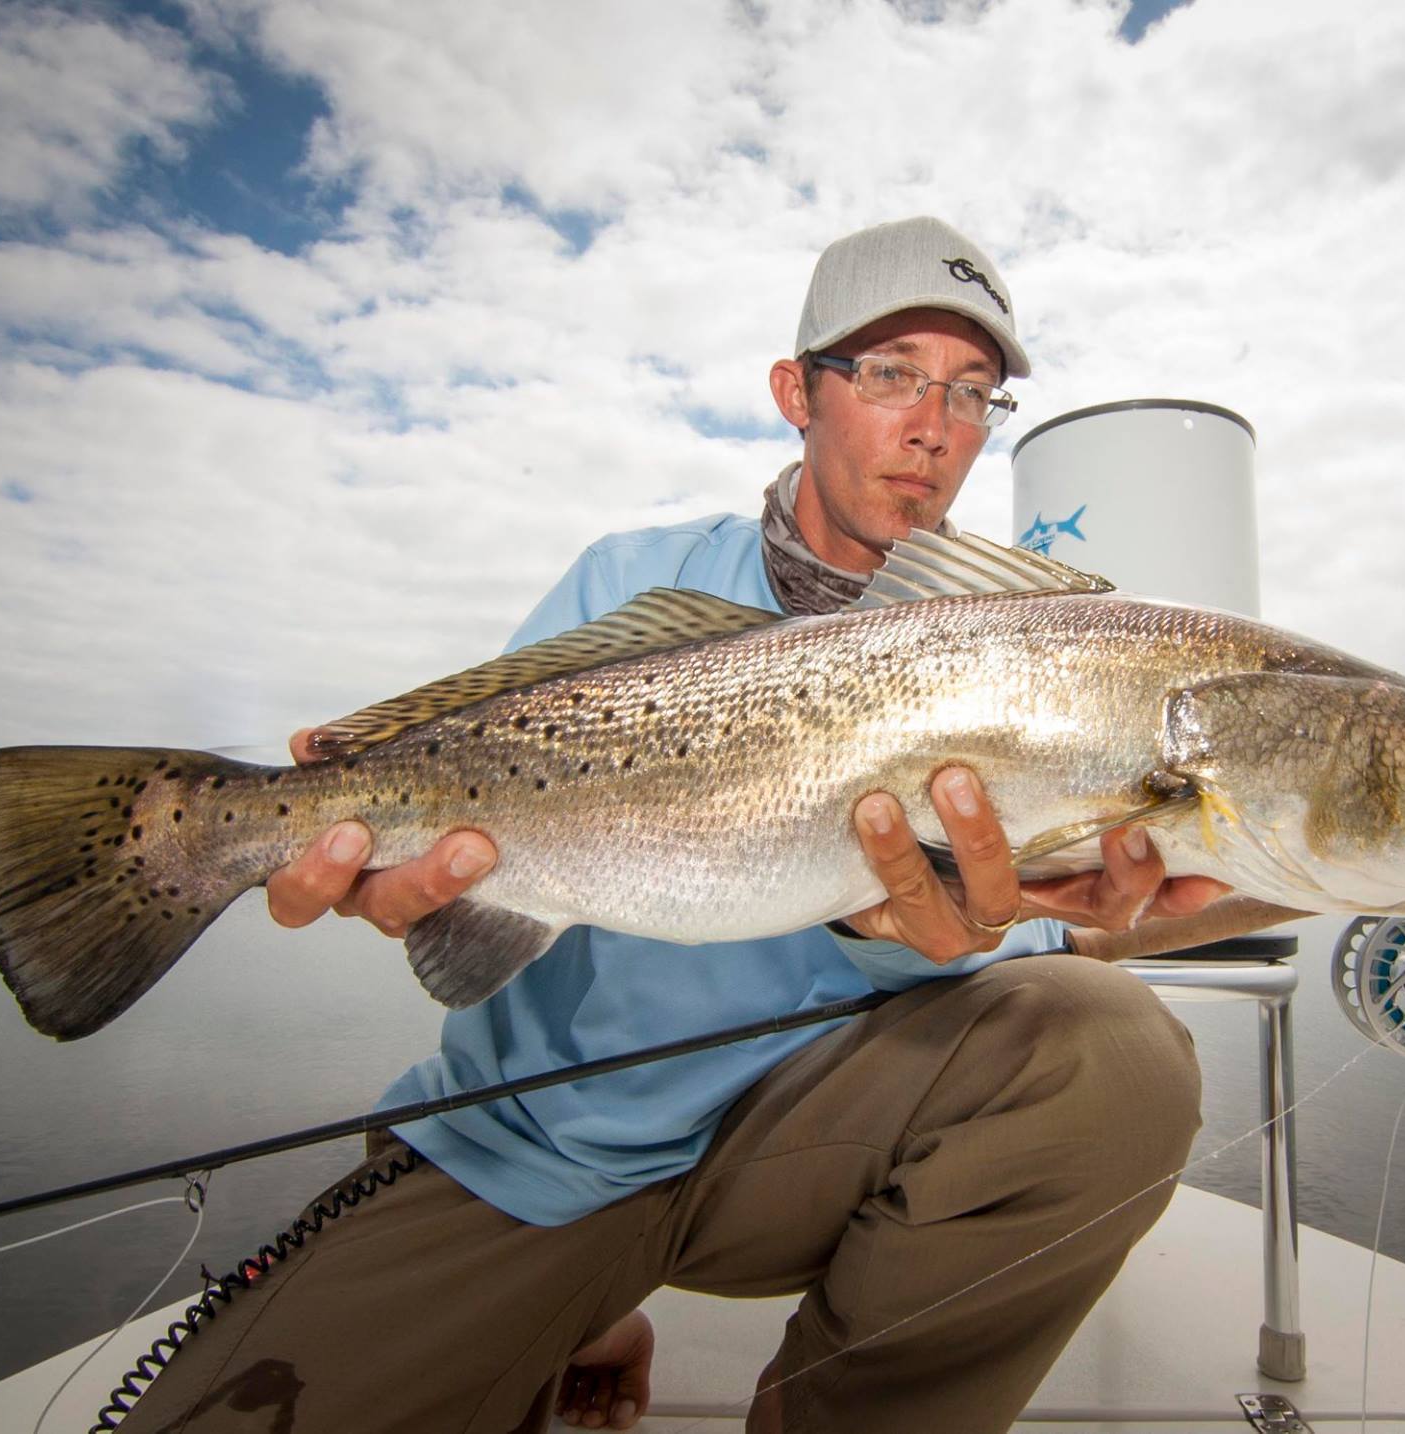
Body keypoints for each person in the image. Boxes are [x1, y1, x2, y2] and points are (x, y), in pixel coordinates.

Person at [117, 217, 1226, 1434]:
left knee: (1107, 1047)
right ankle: (577, 1304)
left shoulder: (1029, 654)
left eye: (972, 395)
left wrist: (949, 926)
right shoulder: (628, 581)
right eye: (891, 375)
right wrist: (384, 848)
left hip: (797, 1150)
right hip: (545, 1146)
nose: (933, 428)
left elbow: (1005, 955)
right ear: (794, 393)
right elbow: (459, 857)